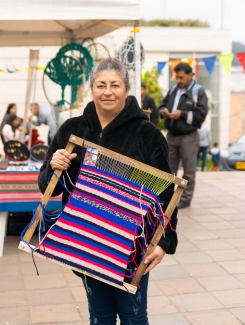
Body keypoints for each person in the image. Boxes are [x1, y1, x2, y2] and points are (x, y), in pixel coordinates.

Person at [38, 58, 177, 325]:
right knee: (100, 317)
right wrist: (54, 168)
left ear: (126, 88)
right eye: (101, 85)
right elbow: (47, 186)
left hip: (132, 244)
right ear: (92, 89)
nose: (108, 91)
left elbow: (167, 193)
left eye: (115, 84)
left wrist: (163, 241)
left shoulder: (147, 133)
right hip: (86, 239)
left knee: (133, 317)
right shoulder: (72, 129)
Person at [159, 62, 208, 209]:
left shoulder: (198, 92)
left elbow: (201, 115)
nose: (178, 80)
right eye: (177, 77)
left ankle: (185, 199)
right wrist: (163, 111)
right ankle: (167, 198)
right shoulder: (173, 89)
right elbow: (163, 104)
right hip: (172, 135)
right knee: (168, 169)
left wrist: (182, 114)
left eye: (181, 77)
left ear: (190, 75)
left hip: (189, 137)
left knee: (189, 171)